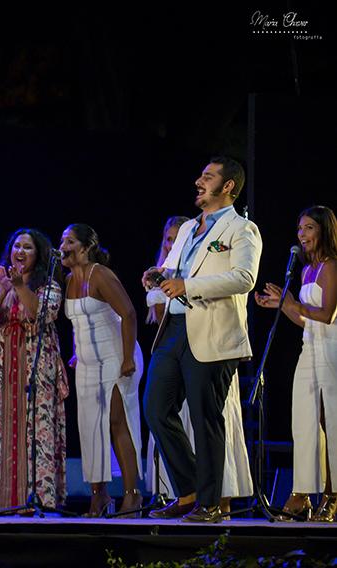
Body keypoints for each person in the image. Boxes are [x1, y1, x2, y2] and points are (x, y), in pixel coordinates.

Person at [143, 156, 262, 523]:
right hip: (175, 329)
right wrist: (159, 275)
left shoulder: (242, 230)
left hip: (212, 332)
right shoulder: (188, 228)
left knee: (205, 416)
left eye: (208, 177)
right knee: (155, 408)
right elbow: (176, 272)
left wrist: (187, 286)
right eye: (200, 175)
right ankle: (193, 491)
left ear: (227, 186)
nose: (199, 181)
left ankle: (210, 505)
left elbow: (244, 278)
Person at [0, 229, 68, 512]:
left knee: (34, 429)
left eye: (28, 247)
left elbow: (40, 313)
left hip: (35, 365)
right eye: (17, 246)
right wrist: (4, 289)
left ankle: (33, 499)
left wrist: (21, 286)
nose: (20, 251)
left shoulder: (48, 285)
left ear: (39, 254)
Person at [255, 205, 337, 522]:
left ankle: (331, 496)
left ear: (324, 231)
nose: (302, 235)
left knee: (329, 425)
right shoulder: (305, 270)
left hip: (331, 350)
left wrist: (291, 302)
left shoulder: (331, 267)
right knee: (303, 424)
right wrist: (281, 305)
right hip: (309, 349)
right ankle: (302, 493)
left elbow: (327, 315)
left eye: (309, 228)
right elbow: (304, 319)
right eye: (299, 229)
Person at [59, 224, 143, 517]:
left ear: (85, 247)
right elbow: (77, 320)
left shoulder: (101, 275)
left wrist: (128, 358)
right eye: (62, 241)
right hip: (87, 362)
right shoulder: (69, 280)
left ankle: (132, 496)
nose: (63, 246)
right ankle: (100, 496)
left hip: (116, 353)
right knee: (90, 428)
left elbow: (129, 313)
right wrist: (75, 352)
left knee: (117, 422)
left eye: (69, 241)